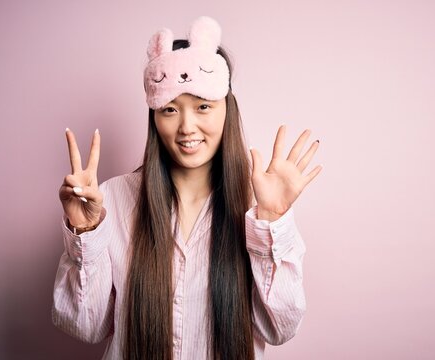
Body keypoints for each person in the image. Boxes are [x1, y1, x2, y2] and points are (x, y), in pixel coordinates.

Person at [52, 16, 322, 360]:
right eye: (169, 109)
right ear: (154, 118)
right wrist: (85, 233)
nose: (186, 126)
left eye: (203, 106)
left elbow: (279, 329)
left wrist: (270, 220)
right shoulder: (114, 199)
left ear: (228, 110)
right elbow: (84, 327)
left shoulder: (259, 203)